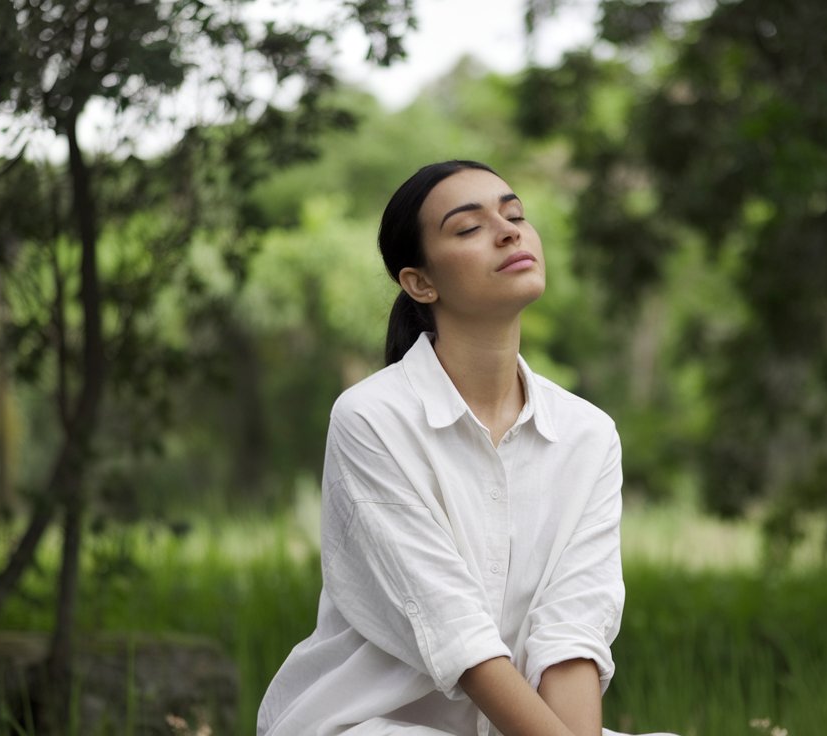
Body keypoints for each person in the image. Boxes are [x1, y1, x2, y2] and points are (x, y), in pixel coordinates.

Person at [257, 161, 676, 736]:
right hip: (370, 724)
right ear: (420, 283)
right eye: (468, 228)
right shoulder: (372, 419)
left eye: (514, 215)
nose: (509, 232)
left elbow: (572, 631)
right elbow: (455, 632)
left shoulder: (588, 434)